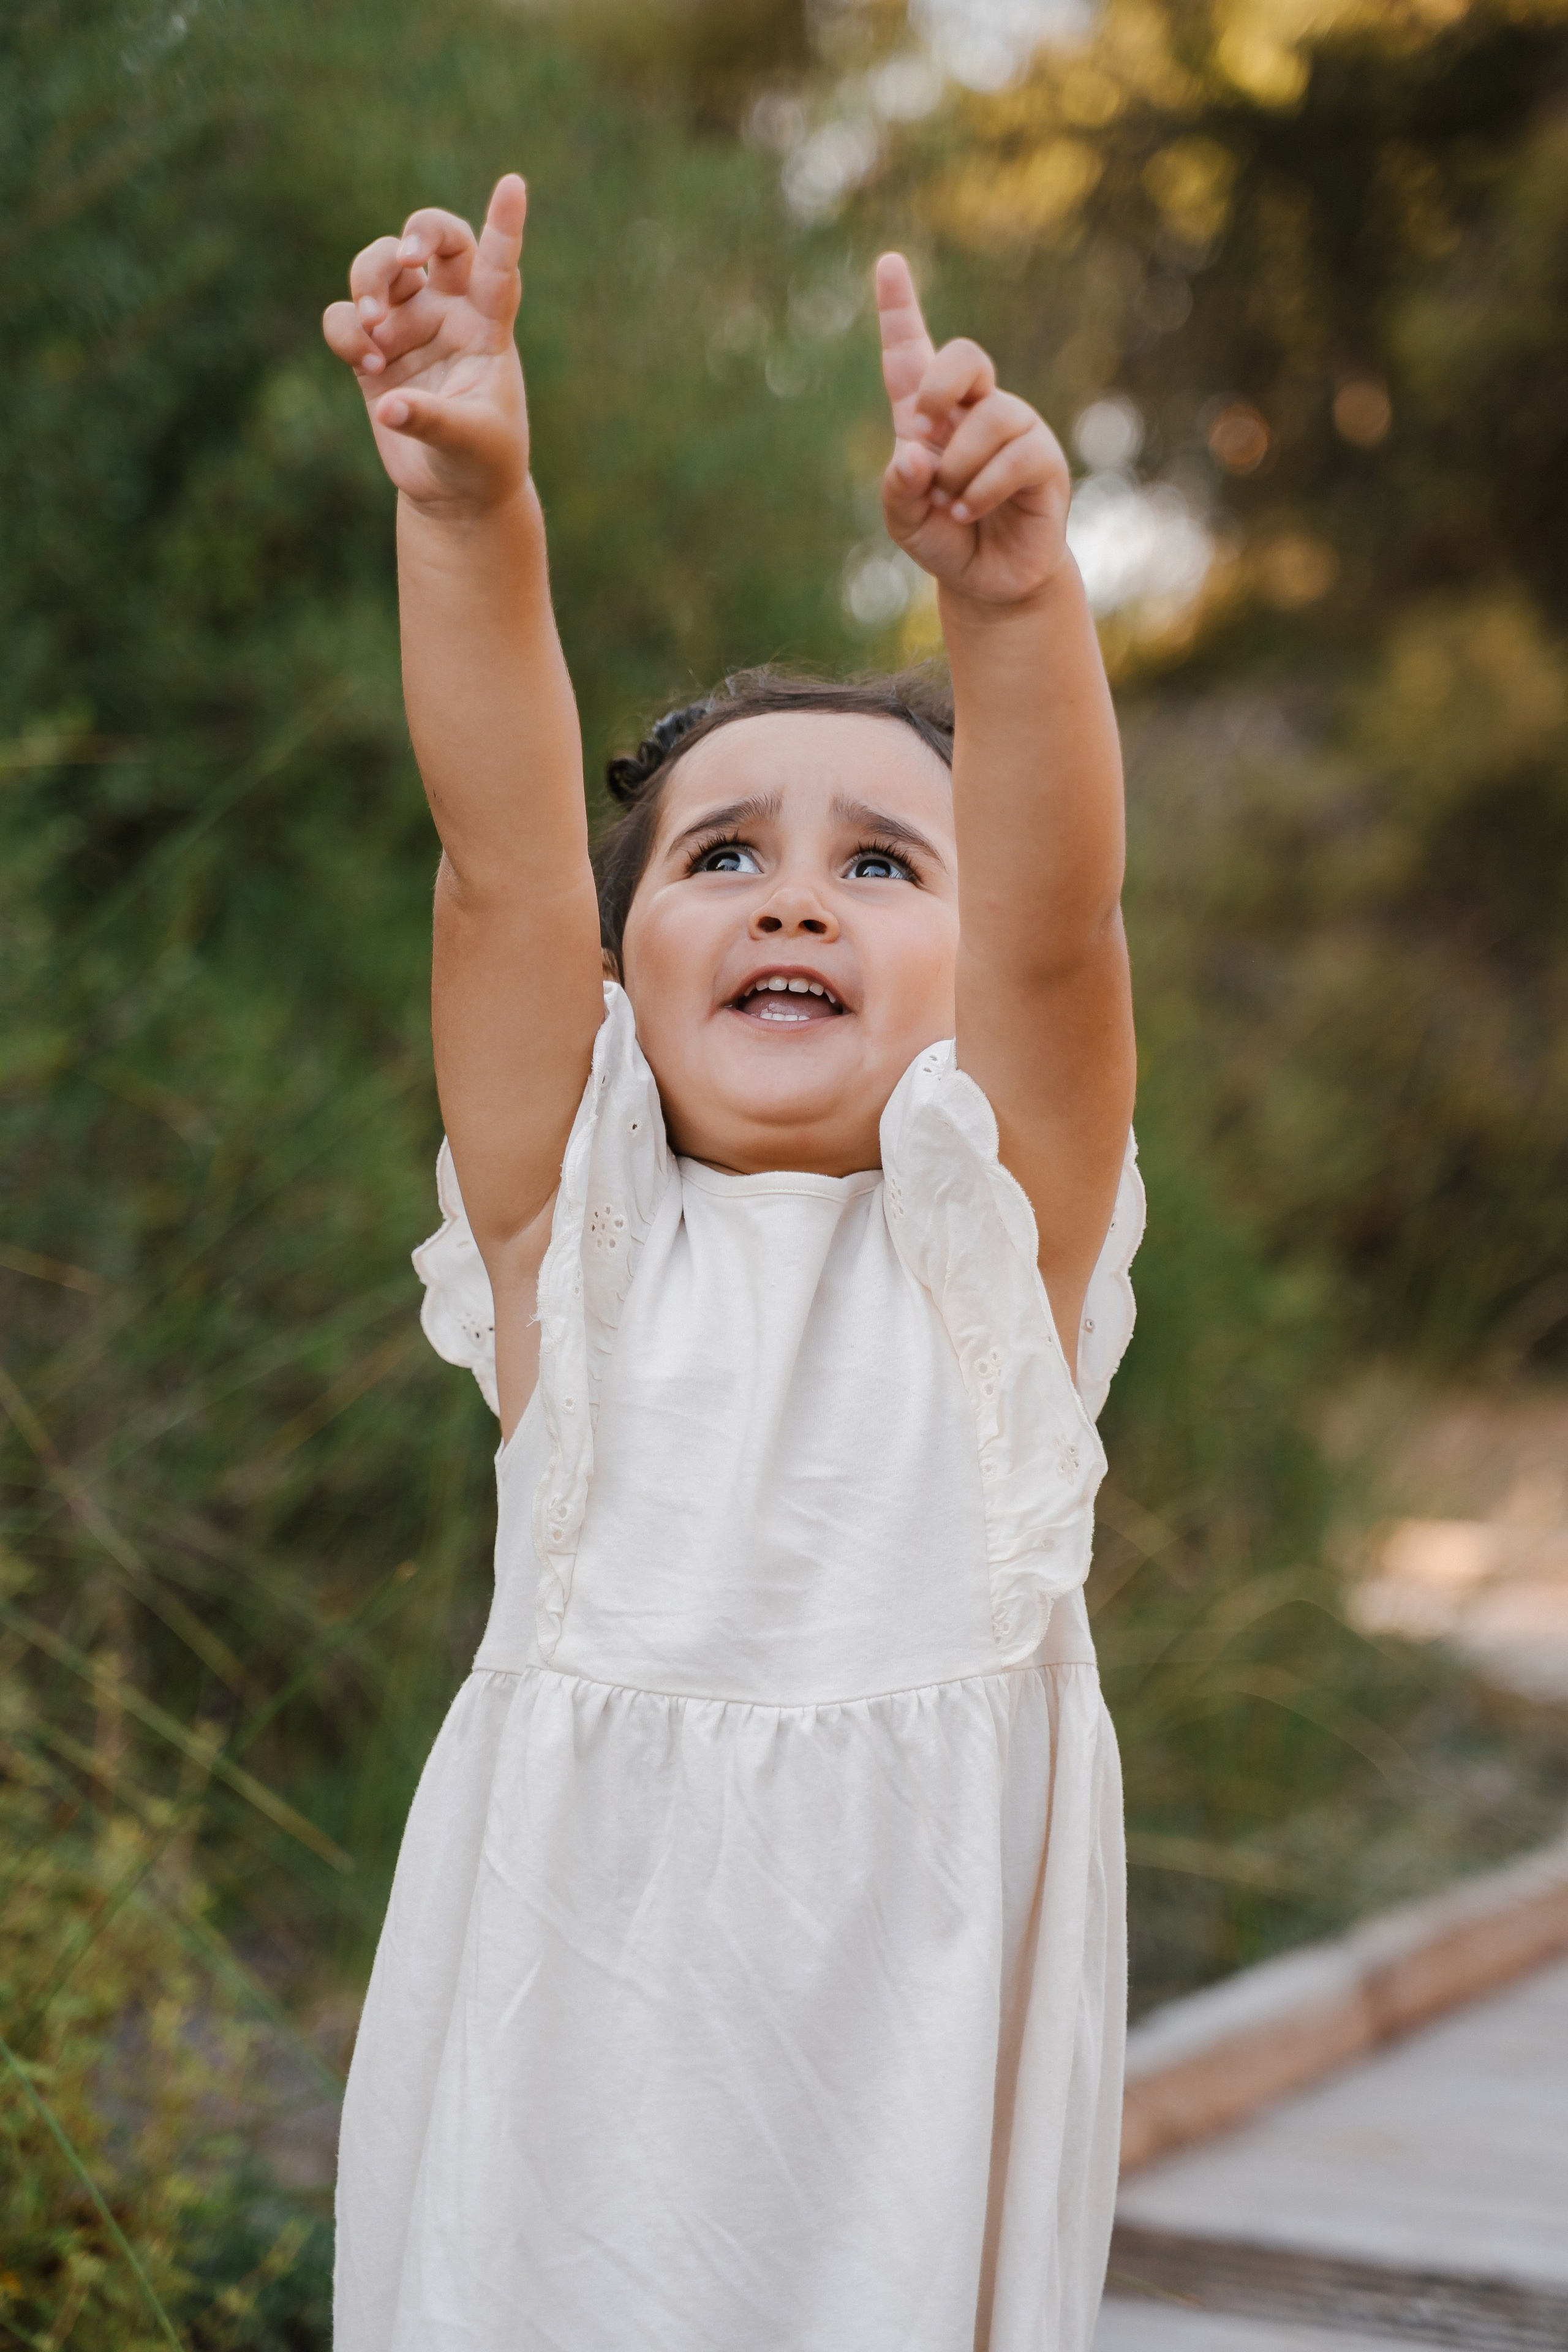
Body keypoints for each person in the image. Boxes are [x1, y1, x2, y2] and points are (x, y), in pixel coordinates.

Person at [322, 170, 1142, 2352]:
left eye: (883, 862)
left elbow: (1060, 930)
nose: (795, 900)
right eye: (721, 855)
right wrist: (470, 506)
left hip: (899, 2065)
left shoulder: (1002, 1253)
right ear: (624, 966)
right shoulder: (565, 1236)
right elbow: (501, 861)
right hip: (568, 2079)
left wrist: (1019, 607)